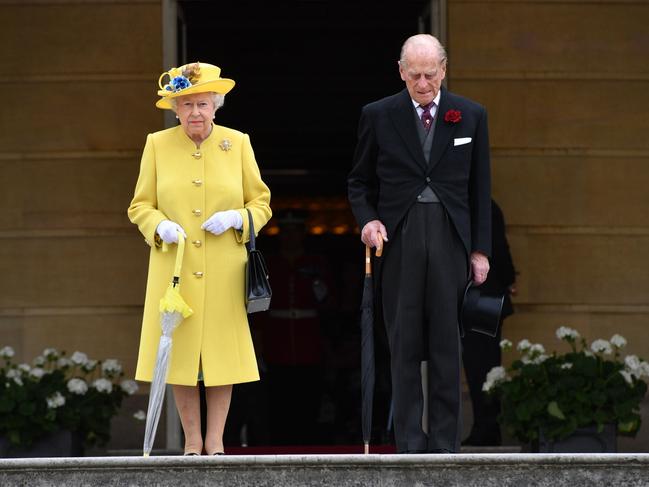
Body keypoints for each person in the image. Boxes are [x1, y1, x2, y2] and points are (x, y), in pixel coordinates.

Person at [347, 34, 492, 454]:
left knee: (448, 341)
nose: (423, 83)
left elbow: (482, 188)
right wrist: (368, 220)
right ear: (401, 71)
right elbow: (358, 182)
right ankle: (409, 440)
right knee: (404, 340)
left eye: (430, 74)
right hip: (400, 238)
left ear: (444, 69)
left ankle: (445, 442)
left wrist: (480, 250)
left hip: (451, 238)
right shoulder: (378, 114)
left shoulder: (471, 114)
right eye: (415, 75)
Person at [128, 62, 272, 455]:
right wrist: (158, 226)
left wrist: (236, 218)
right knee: (181, 354)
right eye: (187, 104)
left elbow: (261, 203)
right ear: (175, 108)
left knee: (223, 354)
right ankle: (192, 441)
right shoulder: (156, 145)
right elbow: (140, 206)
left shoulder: (237, 142)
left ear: (216, 105)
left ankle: (216, 440)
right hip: (173, 269)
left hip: (225, 266)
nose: (195, 112)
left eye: (203, 103)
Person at [255, 209, 334, 445]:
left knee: (308, 399)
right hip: (276, 343)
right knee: (278, 401)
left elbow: (330, 304)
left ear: (302, 234)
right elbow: (260, 310)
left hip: (308, 343)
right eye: (286, 232)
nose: (290, 237)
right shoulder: (271, 263)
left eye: (295, 231)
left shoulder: (316, 263)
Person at [461, 199, 516, 446]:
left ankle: (486, 428)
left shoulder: (481, 207)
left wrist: (507, 278)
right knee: (483, 367)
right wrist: (509, 279)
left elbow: (497, 249)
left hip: (482, 300)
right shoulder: (488, 206)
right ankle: (486, 427)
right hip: (484, 297)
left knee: (481, 368)